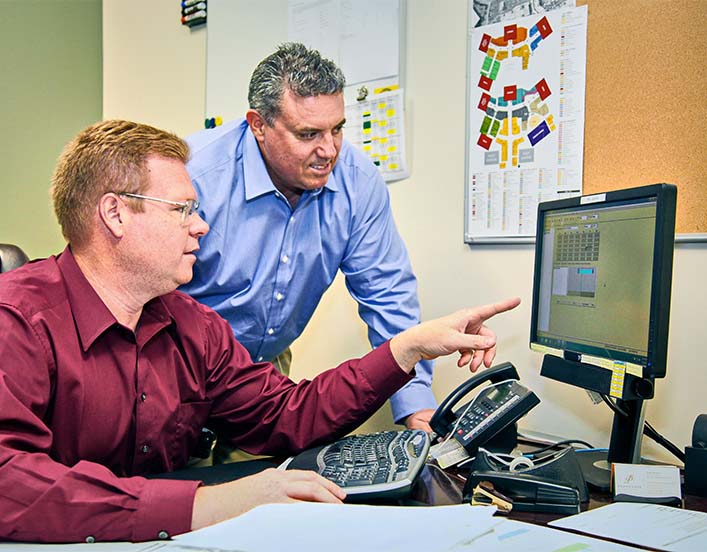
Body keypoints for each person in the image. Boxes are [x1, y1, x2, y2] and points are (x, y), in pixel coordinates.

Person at [0, 119, 518, 543]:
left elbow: (286, 416)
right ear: (114, 213)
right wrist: (206, 504)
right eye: (183, 209)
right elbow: (8, 480)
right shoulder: (17, 320)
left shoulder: (192, 325)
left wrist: (406, 349)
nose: (201, 225)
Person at [180, 43, 436, 434]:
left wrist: (416, 405)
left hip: (265, 370)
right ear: (258, 125)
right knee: (188, 487)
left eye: (337, 129)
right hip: (180, 369)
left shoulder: (356, 180)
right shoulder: (195, 175)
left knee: (267, 485)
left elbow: (387, 293)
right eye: (308, 133)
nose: (328, 150)